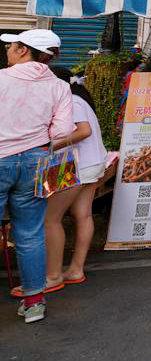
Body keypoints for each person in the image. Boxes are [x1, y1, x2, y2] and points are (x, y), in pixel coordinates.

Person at [0, 29, 75, 324]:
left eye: (11, 45)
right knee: (30, 234)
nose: (7, 50)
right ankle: (34, 303)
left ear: (22, 50)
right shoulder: (60, 87)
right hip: (37, 160)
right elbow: (62, 132)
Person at [39, 68, 107, 293]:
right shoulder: (79, 99)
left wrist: (48, 146)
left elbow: (83, 131)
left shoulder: (72, 101)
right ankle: (75, 269)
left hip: (77, 166)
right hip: (91, 164)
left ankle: (53, 276)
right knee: (83, 215)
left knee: (51, 219)